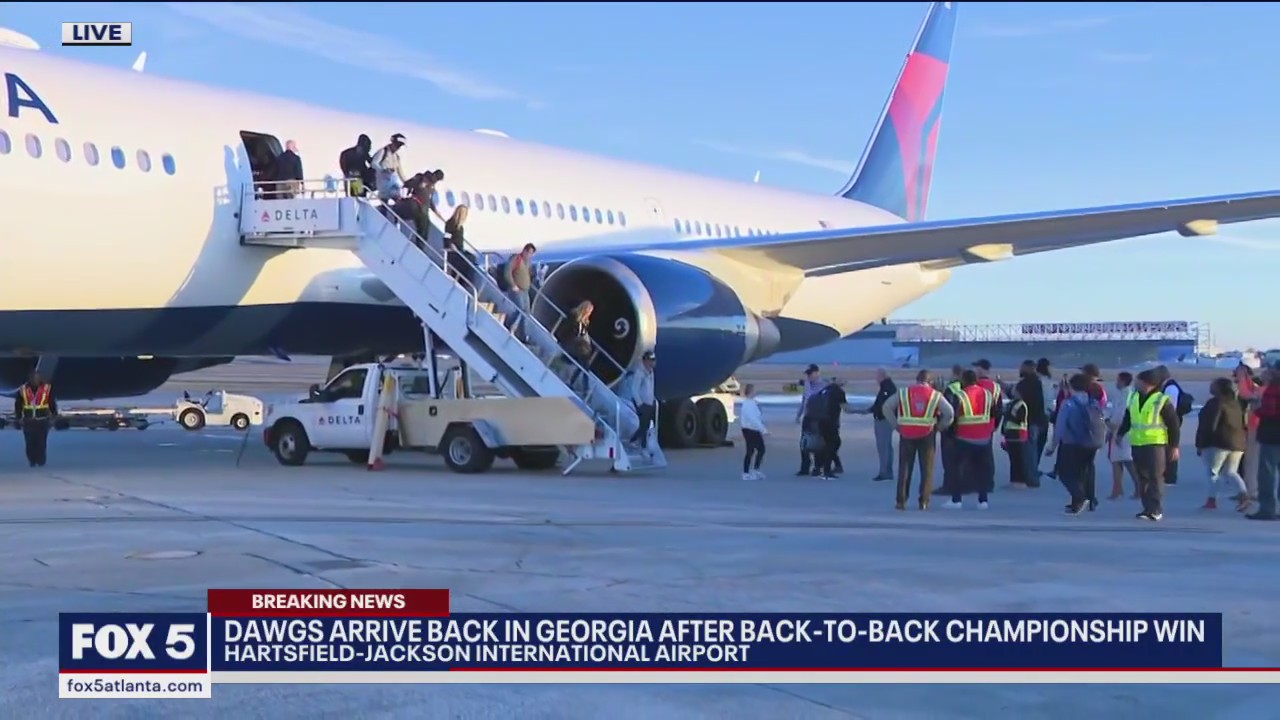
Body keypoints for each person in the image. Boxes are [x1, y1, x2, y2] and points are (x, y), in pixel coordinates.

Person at [1115, 369, 1181, 521]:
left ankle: (1155, 509)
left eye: (1139, 381)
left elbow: (1173, 425)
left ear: (1148, 383)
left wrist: (1174, 446)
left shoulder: (1161, 400)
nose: (1136, 383)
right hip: (1138, 443)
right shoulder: (1133, 397)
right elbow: (1128, 418)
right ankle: (1147, 508)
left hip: (1155, 444)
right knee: (1142, 477)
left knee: (1155, 477)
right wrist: (1120, 434)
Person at [883, 369, 954, 510]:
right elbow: (949, 413)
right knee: (927, 469)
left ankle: (901, 500)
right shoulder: (935, 395)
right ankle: (924, 501)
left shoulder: (904, 392)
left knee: (905, 468)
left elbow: (886, 407)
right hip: (927, 434)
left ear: (916, 380)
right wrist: (940, 427)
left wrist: (896, 425)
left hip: (907, 433)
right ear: (930, 382)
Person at [1046, 373, 1103, 515]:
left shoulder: (1068, 403)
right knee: (1085, 471)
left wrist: (1052, 446)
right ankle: (1086, 501)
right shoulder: (1093, 402)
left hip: (1071, 443)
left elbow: (1060, 427)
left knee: (1066, 473)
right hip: (1091, 443)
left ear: (1071, 386)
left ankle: (1079, 498)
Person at [944, 370, 1001, 510]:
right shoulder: (987, 394)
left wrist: (951, 433)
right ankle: (983, 500)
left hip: (964, 438)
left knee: (957, 469)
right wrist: (991, 429)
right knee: (981, 470)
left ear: (964, 380)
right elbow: (996, 413)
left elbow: (953, 417)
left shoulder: (960, 395)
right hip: (983, 438)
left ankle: (956, 500)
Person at [1195, 377, 1249, 512]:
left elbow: (1209, 426)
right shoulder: (1235, 404)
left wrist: (1201, 444)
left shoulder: (1215, 403)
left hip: (1217, 443)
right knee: (1231, 472)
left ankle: (1211, 500)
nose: (1210, 386)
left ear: (1219, 388)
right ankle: (1244, 495)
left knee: (1213, 472)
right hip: (1237, 443)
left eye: (1213, 384)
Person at [1246, 364, 1280, 521]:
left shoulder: (1274, 388)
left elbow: (1269, 411)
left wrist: (1256, 408)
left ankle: (1267, 508)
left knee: (1267, 472)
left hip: (1272, 434)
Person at [1153, 364, 1192, 485]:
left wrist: (1164, 421)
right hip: (1171, 421)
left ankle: (1170, 476)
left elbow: (1171, 407)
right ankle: (1167, 474)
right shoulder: (1169, 386)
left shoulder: (1170, 388)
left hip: (1171, 421)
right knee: (1168, 447)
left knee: (1171, 447)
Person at [1014, 360, 1046, 488]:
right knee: (1032, 451)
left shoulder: (1025, 384)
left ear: (1028, 368)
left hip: (1030, 421)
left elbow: (1018, 399)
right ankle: (1030, 476)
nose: (1019, 370)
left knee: (1029, 452)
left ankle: (1031, 479)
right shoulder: (1038, 382)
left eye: (1022, 367)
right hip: (1039, 420)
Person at [1106, 371, 1139, 500]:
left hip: (1124, 432)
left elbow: (1124, 415)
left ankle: (1139, 488)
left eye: (1118, 380)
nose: (1116, 382)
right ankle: (1117, 488)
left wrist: (1116, 428)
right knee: (1116, 460)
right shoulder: (1118, 395)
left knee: (1128, 461)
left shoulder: (1129, 395)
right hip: (1115, 430)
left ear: (1124, 381)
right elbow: (1114, 411)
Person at [15, 371, 57, 467]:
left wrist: (54, 414)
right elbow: (18, 404)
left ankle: (41, 460)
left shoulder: (46, 389)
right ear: (30, 378)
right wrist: (18, 417)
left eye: (37, 378)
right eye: (33, 378)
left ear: (40, 378)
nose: (35, 380)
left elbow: (51, 402)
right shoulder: (23, 389)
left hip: (42, 420)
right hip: (28, 420)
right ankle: (32, 460)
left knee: (41, 442)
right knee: (30, 442)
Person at [935, 364, 965, 497]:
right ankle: (960, 484)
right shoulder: (965, 387)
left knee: (949, 460)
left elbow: (947, 409)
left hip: (950, 429)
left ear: (955, 374)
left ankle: (949, 486)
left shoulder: (951, 388)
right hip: (963, 427)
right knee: (960, 460)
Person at [812, 378, 851, 480]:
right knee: (833, 444)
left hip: (820, 421)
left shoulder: (825, 390)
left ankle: (818, 468)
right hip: (831, 422)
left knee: (825, 444)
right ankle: (826, 470)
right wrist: (862, 411)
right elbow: (846, 408)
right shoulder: (839, 392)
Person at [555, 300, 594, 393]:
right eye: (588, 311)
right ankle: (583, 386)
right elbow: (566, 330)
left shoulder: (584, 323)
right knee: (584, 360)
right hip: (567, 342)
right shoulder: (574, 316)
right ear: (584, 309)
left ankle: (580, 385)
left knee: (584, 362)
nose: (589, 313)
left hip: (576, 346)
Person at [501, 243, 537, 342]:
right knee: (520, 309)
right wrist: (513, 285)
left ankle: (524, 335)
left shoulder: (528, 263)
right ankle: (508, 324)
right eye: (529, 253)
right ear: (524, 251)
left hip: (525, 290)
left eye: (532, 254)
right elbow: (507, 272)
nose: (530, 255)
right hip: (517, 289)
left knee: (526, 313)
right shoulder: (516, 259)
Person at [795, 364, 825, 476]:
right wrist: (798, 415)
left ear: (817, 373)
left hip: (818, 418)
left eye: (810, 374)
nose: (808, 376)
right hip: (807, 417)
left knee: (817, 443)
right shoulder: (807, 384)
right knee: (804, 443)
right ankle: (804, 468)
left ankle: (817, 467)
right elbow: (804, 400)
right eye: (807, 374)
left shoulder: (824, 385)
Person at [868, 368, 897, 481]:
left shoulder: (887, 388)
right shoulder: (887, 387)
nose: (876, 378)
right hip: (885, 419)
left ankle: (885, 472)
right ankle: (886, 471)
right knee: (886, 446)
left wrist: (873, 410)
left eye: (877, 375)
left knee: (884, 446)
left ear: (882, 376)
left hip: (883, 420)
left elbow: (882, 404)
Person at [1000, 387, 1030, 487]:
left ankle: (1021, 480)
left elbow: (1019, 419)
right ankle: (1014, 480)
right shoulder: (1012, 403)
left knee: (1019, 459)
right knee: (1013, 459)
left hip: (1018, 435)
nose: (1013, 392)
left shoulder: (1021, 405)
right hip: (1010, 434)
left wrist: (1009, 414)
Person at [738, 383, 767, 480]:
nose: (755, 392)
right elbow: (752, 419)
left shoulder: (753, 403)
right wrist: (763, 429)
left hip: (754, 429)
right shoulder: (747, 404)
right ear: (750, 392)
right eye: (753, 390)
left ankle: (755, 470)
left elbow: (758, 417)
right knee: (751, 450)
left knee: (760, 449)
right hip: (749, 429)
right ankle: (746, 473)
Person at [630, 351, 657, 450]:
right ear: (645, 361)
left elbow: (651, 387)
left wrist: (652, 399)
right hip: (642, 403)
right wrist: (639, 404)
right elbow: (634, 389)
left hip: (649, 402)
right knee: (644, 425)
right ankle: (638, 443)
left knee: (645, 425)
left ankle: (638, 443)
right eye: (651, 360)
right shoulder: (640, 373)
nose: (653, 362)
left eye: (654, 360)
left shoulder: (651, 372)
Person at [371, 133, 408, 200]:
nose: (398, 148)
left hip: (393, 182)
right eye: (397, 145)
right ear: (393, 143)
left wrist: (406, 182)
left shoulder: (396, 156)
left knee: (398, 196)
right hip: (383, 182)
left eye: (399, 146)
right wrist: (383, 170)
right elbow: (374, 163)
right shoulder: (383, 151)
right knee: (386, 198)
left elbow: (400, 172)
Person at [443, 205, 473, 285]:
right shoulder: (450, 223)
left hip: (459, 250)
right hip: (453, 252)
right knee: (464, 261)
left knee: (472, 258)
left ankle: (465, 282)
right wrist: (451, 245)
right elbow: (446, 237)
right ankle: (463, 282)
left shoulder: (460, 226)